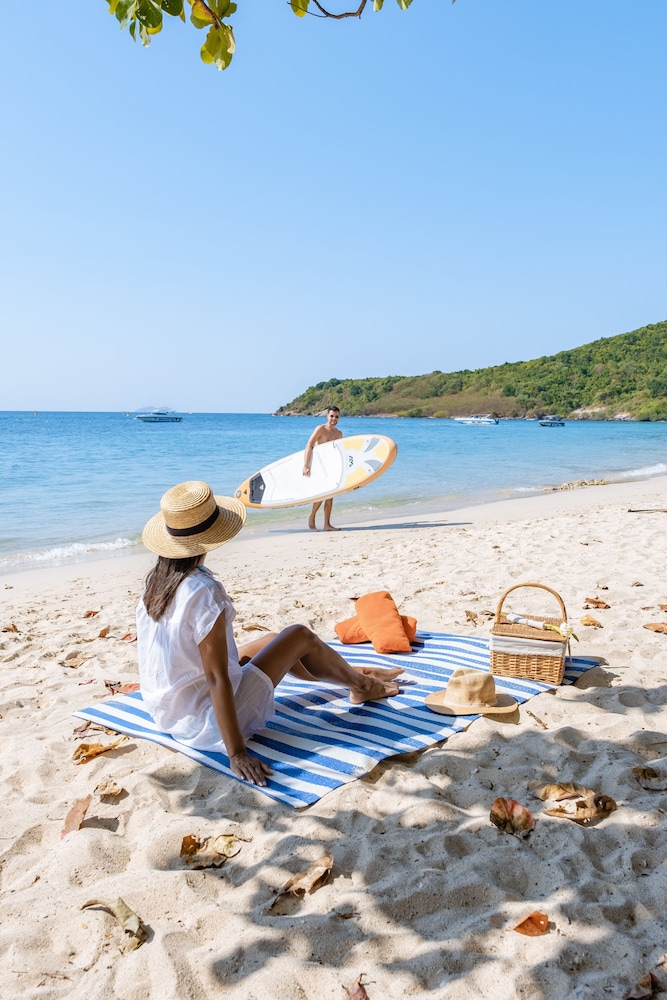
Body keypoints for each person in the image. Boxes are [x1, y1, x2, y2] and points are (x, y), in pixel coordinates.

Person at [136, 481, 401, 787]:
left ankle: (347, 673)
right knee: (298, 635)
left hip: (170, 711)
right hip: (205, 723)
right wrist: (236, 754)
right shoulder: (204, 590)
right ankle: (362, 684)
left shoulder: (157, 582)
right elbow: (216, 678)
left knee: (274, 639)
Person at [302, 405, 343, 531]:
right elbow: (309, 445)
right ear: (327, 416)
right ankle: (312, 517)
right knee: (320, 496)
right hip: (319, 466)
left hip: (331, 468)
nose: (334, 419)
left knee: (330, 497)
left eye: (336, 417)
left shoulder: (339, 434)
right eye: (331, 416)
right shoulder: (320, 429)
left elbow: (340, 453)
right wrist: (306, 465)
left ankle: (327, 525)